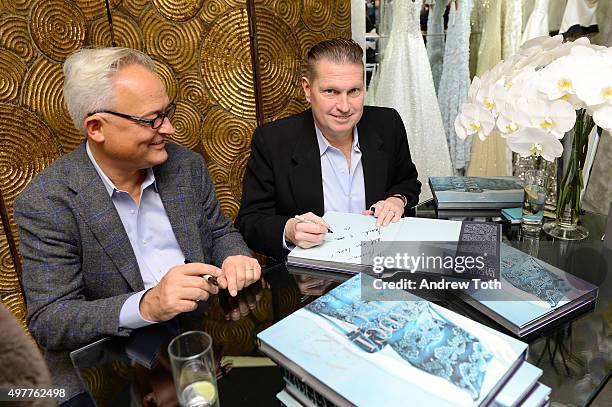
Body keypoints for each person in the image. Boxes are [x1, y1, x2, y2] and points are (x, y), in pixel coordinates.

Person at [13, 47, 261, 403]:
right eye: (152, 120)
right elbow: (51, 319)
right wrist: (147, 305)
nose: (169, 128)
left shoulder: (185, 167)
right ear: (96, 127)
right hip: (108, 366)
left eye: (167, 113)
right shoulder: (49, 201)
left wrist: (235, 256)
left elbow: (220, 231)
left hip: (198, 338)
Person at [236, 38, 421, 261]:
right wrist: (289, 230)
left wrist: (396, 200)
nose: (344, 107)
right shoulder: (273, 140)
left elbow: (408, 181)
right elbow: (250, 221)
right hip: (310, 280)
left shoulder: (387, 123)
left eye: (354, 91)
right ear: (307, 89)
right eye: (331, 92)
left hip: (382, 262)